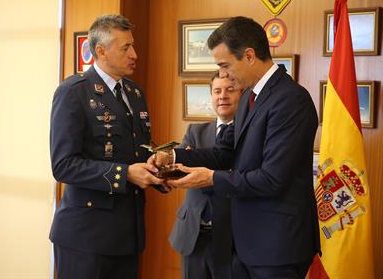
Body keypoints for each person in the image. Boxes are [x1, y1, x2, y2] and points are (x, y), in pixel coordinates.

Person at [153, 16, 320, 278]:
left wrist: (210, 178)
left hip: (278, 246)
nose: (223, 74)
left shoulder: (291, 101)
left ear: (250, 56)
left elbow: (272, 179)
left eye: (224, 64)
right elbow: (222, 153)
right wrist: (171, 156)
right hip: (246, 244)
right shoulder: (249, 99)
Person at [49, 14, 164, 279]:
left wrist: (158, 171)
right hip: (86, 238)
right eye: (126, 48)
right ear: (101, 51)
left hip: (128, 235)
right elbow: (63, 165)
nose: (134, 54)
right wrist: (125, 174)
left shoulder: (135, 93)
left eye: (133, 46)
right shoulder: (74, 92)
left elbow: (139, 152)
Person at [169, 72, 241, 279]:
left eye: (230, 90)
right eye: (217, 91)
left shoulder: (248, 135)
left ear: (242, 94)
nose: (223, 96)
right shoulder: (196, 132)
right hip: (193, 236)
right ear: (211, 95)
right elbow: (178, 171)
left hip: (231, 239)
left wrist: (205, 174)